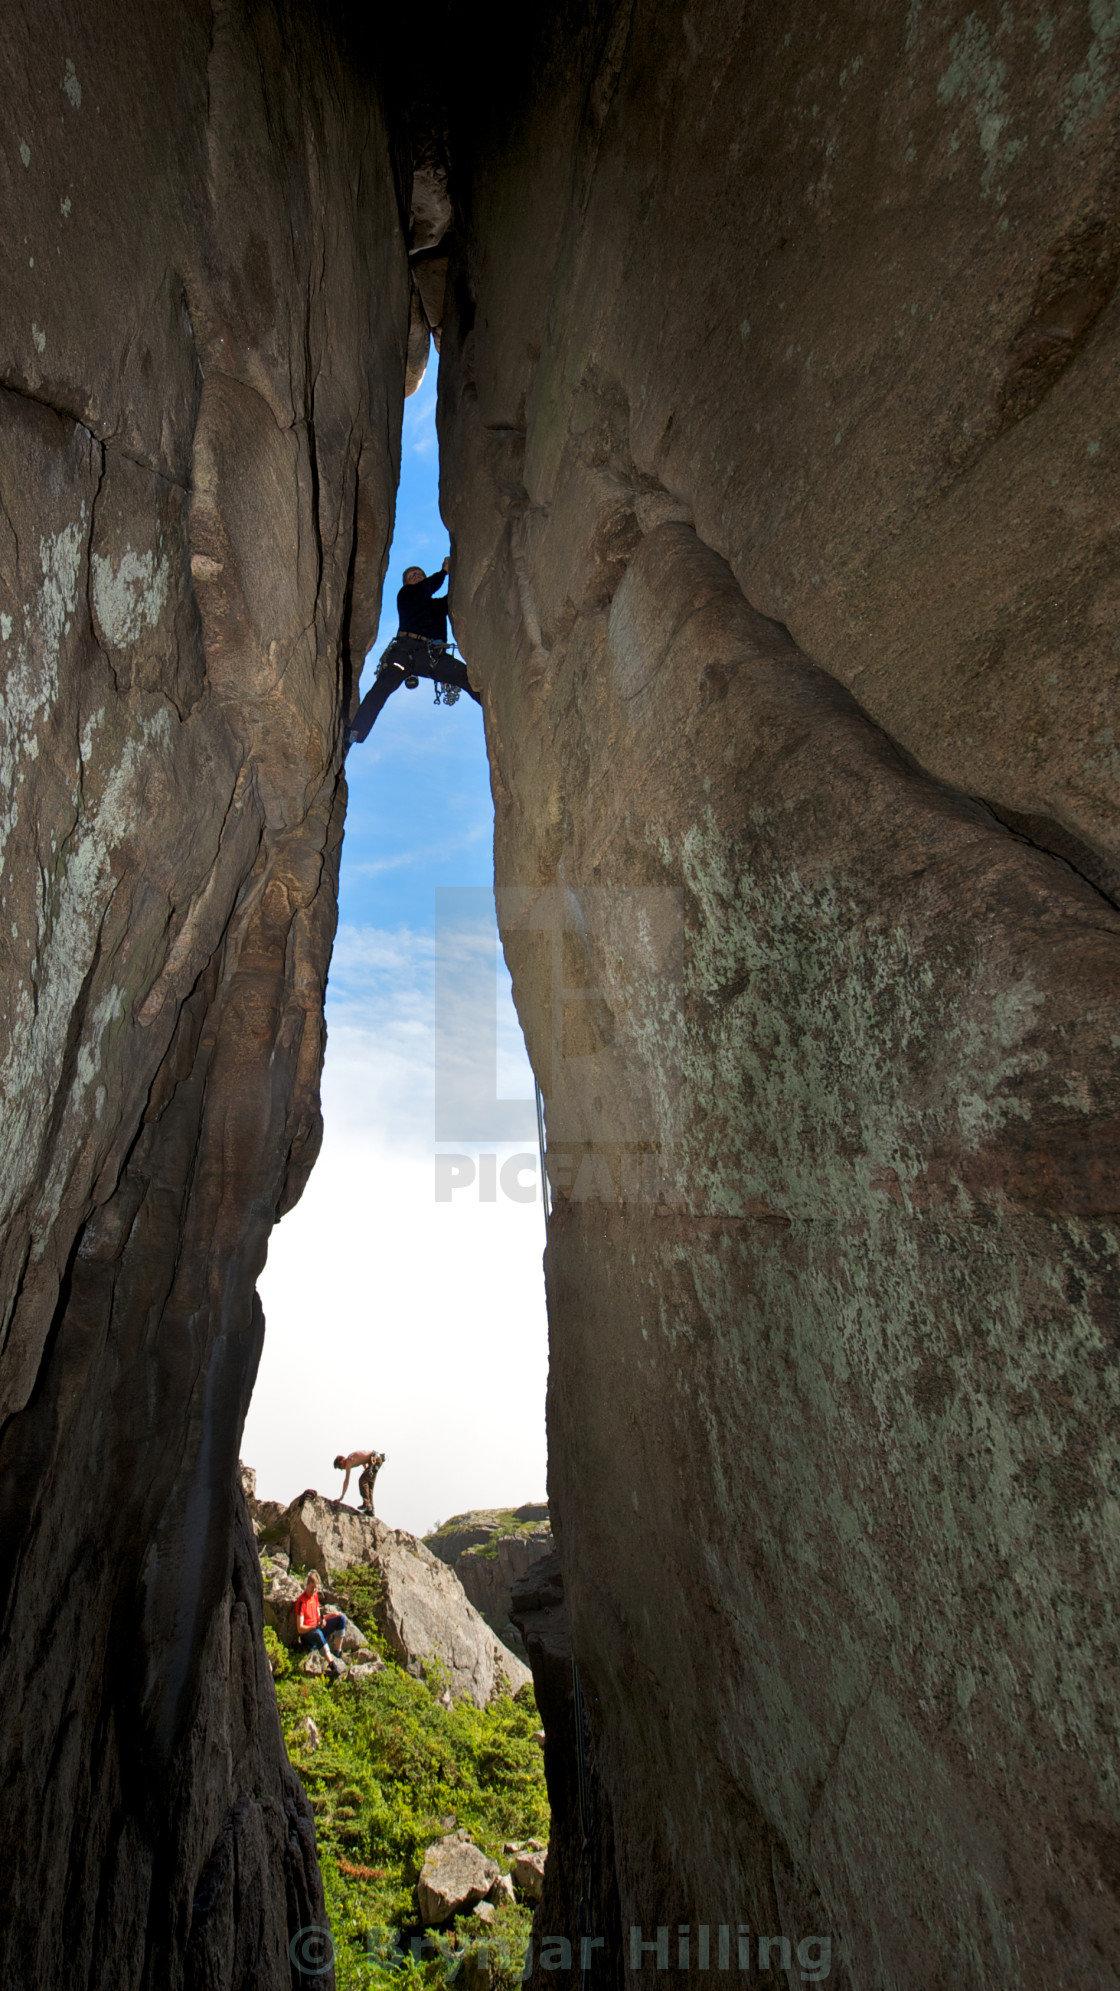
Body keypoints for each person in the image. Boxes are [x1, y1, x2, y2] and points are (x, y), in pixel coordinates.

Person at [347, 557, 481, 744]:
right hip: (404, 652)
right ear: (406, 583)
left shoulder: (435, 606)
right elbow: (425, 588)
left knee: (466, 677)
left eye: (419, 574)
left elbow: (454, 599)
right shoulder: (407, 594)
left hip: (432, 656)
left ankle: (492, 705)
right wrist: (444, 572)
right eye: (412, 575)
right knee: (383, 687)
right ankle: (355, 732)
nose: (416, 576)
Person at [294, 1571, 348, 1674]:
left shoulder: (315, 1596)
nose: (314, 1590)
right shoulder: (301, 1602)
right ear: (307, 1585)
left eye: (316, 1588)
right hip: (308, 1634)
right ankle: (332, 1665)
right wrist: (314, 1627)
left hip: (317, 1627)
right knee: (318, 1634)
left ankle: (338, 1653)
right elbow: (300, 1628)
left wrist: (330, 1617)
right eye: (312, 1587)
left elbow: (318, 1617)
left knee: (340, 1619)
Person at [334, 1448, 385, 1513]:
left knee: (362, 1480)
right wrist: (366, 1468)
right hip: (376, 1459)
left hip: (374, 1459)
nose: (341, 1469)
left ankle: (367, 1504)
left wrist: (341, 1496)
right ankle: (370, 1510)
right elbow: (362, 1459)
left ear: (341, 1462)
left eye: (339, 1467)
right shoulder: (352, 1457)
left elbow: (346, 1480)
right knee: (369, 1485)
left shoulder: (349, 1461)